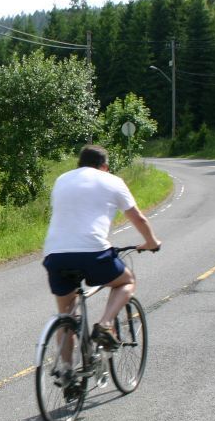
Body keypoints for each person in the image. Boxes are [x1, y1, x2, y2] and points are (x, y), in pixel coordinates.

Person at [42, 144, 161, 349]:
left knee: (67, 315)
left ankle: (67, 374)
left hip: (55, 254)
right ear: (104, 166)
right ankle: (105, 324)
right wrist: (151, 242)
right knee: (126, 281)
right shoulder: (112, 181)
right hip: (93, 252)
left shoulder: (62, 179)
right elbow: (138, 218)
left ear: (79, 164)